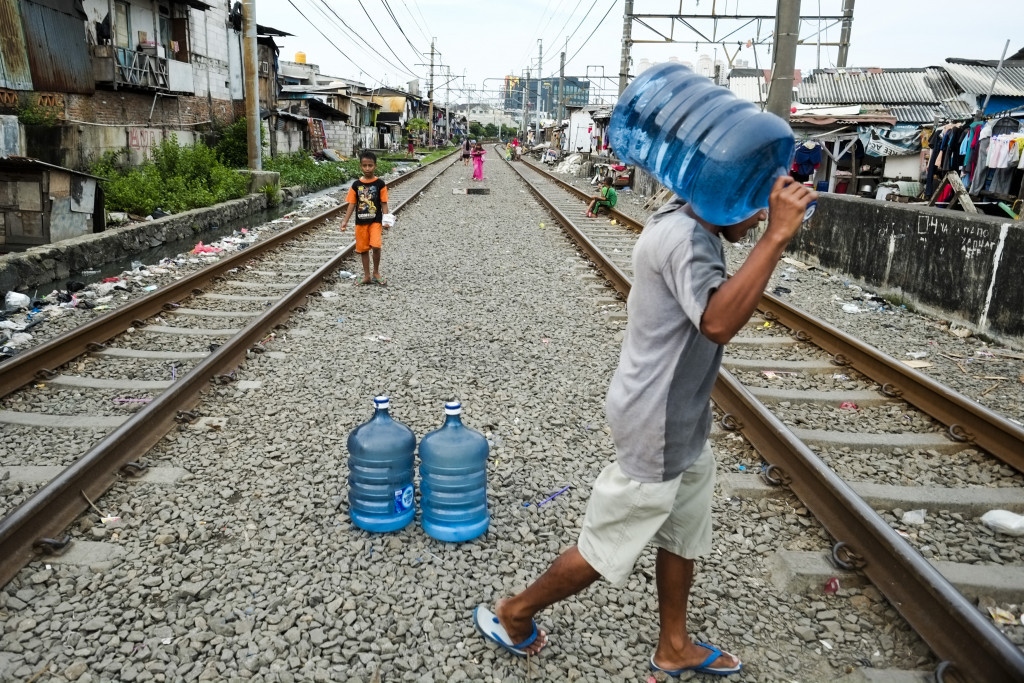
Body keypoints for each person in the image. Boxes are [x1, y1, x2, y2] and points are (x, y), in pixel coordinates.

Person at [473, 175, 816, 677]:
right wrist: (775, 238)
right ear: (723, 196)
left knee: (682, 535)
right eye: (758, 207)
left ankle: (673, 646)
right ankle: (514, 613)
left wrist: (768, 231)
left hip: (683, 418)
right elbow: (719, 322)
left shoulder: (685, 217)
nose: (762, 215)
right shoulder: (685, 239)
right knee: (605, 545)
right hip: (656, 422)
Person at [340, 150, 389, 286]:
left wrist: (386, 219)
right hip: (360, 222)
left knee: (376, 246)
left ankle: (376, 272)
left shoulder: (380, 184)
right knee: (363, 249)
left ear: (375, 166)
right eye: (364, 165)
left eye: (370, 165)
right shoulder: (356, 185)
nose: (367, 168)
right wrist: (345, 221)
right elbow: (352, 203)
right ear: (360, 166)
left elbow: (384, 202)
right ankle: (367, 275)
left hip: (375, 221)